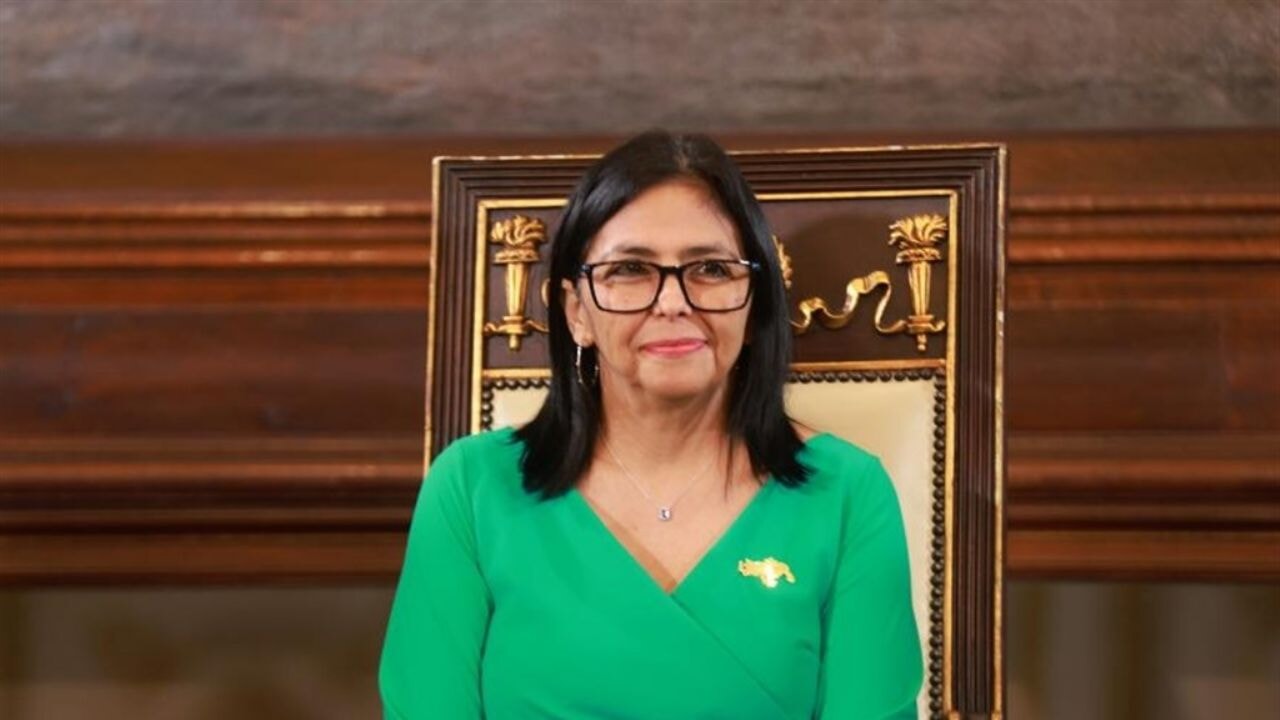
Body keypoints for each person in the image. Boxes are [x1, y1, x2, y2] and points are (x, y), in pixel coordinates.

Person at [380, 131, 922, 719]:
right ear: (576, 311)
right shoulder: (470, 487)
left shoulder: (848, 493)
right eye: (631, 269)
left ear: (754, 302)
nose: (672, 302)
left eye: (710, 268)